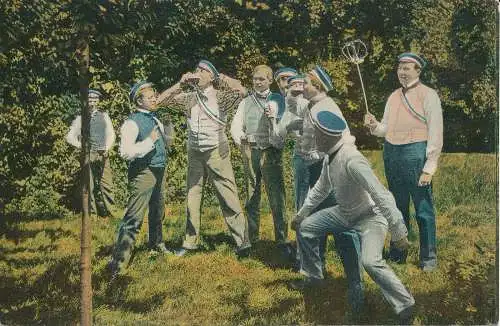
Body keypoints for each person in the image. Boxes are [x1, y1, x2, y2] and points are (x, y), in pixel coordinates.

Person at [291, 106, 415, 324]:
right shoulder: (330, 156)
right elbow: (321, 188)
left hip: (370, 217)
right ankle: (315, 277)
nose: (313, 139)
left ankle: (405, 305)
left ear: (326, 137)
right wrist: (301, 215)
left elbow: (381, 195)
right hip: (344, 213)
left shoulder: (352, 159)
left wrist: (398, 233)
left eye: (316, 135)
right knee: (306, 227)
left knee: (370, 261)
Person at [270, 66, 364, 315]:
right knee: (309, 221)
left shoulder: (328, 108)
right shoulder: (310, 104)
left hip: (330, 170)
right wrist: (291, 92)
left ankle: (356, 284)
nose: (301, 85)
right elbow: (293, 107)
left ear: (318, 87)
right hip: (311, 168)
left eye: (306, 83)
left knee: (344, 229)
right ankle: (314, 276)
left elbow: (347, 138)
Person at [157, 60, 251, 258]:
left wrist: (220, 78)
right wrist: (179, 84)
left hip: (216, 150)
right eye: (196, 69)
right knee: (193, 195)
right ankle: (191, 243)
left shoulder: (220, 96)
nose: (197, 73)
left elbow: (242, 91)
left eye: (203, 71)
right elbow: (160, 102)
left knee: (228, 196)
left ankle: (243, 243)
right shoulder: (188, 97)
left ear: (211, 77)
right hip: (195, 151)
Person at [364, 52, 443, 271]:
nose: (402, 72)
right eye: (400, 68)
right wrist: (373, 125)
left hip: (415, 153)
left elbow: (436, 132)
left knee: (422, 208)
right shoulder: (393, 96)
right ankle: (398, 253)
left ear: (418, 70)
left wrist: (429, 167)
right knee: (396, 206)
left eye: (407, 68)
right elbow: (384, 129)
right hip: (392, 154)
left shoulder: (429, 95)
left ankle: (428, 258)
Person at [109, 81, 172, 277]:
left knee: (157, 212)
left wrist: (168, 130)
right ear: (139, 101)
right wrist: (149, 141)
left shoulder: (157, 118)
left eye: (155, 95)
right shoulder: (131, 122)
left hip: (159, 170)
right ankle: (119, 263)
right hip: (142, 173)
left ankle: (156, 245)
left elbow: (167, 143)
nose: (155, 98)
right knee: (134, 217)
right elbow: (125, 152)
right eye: (150, 96)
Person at [230, 65, 290, 258]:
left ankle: (282, 240)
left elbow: (284, 126)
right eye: (255, 79)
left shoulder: (278, 99)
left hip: (271, 152)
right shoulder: (245, 102)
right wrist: (242, 143)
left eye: (261, 79)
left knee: (277, 197)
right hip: (251, 151)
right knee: (251, 196)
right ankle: (253, 239)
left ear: (270, 80)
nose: (257, 82)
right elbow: (235, 126)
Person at [66, 88, 116, 217]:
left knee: (107, 185)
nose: (92, 102)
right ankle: (92, 214)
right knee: (89, 186)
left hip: (103, 154)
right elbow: (70, 137)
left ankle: (112, 213)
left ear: (98, 101)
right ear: (86, 101)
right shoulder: (80, 118)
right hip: (88, 155)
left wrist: (106, 147)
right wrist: (82, 147)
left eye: (95, 99)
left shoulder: (104, 116)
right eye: (90, 99)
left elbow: (111, 134)